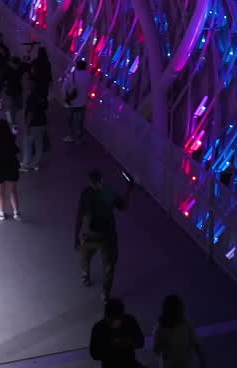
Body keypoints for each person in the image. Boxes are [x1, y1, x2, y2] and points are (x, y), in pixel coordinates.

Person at [75, 168, 134, 300]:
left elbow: (79, 216)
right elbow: (123, 207)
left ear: (90, 181)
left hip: (91, 235)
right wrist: (129, 190)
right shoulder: (109, 192)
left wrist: (76, 237)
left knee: (85, 257)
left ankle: (86, 276)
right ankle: (105, 293)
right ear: (102, 179)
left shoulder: (86, 194)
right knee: (108, 265)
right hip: (107, 236)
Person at [152, 294, 206, 368]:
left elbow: (196, 345)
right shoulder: (160, 329)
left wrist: (202, 361)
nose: (182, 312)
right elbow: (156, 349)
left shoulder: (186, 324)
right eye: (179, 310)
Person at [89, 298, 144, 368]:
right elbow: (94, 354)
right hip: (110, 364)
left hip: (129, 362)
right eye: (112, 319)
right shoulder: (98, 328)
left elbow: (141, 342)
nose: (115, 322)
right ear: (106, 316)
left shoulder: (129, 321)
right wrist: (110, 347)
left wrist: (130, 342)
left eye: (118, 319)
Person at [0, 119, 22, 220]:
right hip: (12, 167)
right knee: (12, 190)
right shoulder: (12, 138)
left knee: (0, 192)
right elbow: (17, 150)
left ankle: (1, 213)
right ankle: (16, 213)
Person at [62, 58, 91, 143]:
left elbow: (64, 87)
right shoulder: (88, 76)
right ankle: (79, 138)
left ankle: (71, 135)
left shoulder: (73, 75)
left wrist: (65, 98)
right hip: (82, 102)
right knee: (80, 121)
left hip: (72, 102)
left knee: (70, 120)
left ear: (77, 66)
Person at [21, 82, 49, 170]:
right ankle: (34, 163)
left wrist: (27, 126)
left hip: (33, 125)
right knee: (39, 145)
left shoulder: (32, 97)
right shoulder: (42, 97)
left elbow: (30, 113)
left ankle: (26, 165)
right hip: (42, 123)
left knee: (27, 144)